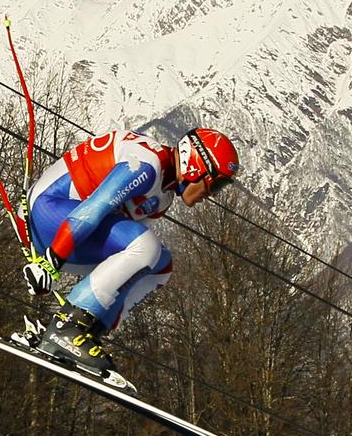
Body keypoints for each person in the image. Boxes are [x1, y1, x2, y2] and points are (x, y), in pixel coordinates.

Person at [19, 127, 240, 377]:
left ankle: (88, 330)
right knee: (147, 247)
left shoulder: (164, 195)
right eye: (216, 184)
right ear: (196, 166)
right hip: (49, 214)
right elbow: (95, 206)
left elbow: (127, 259)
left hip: (69, 231)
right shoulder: (147, 163)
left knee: (159, 265)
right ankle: (67, 325)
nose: (211, 195)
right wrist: (51, 262)